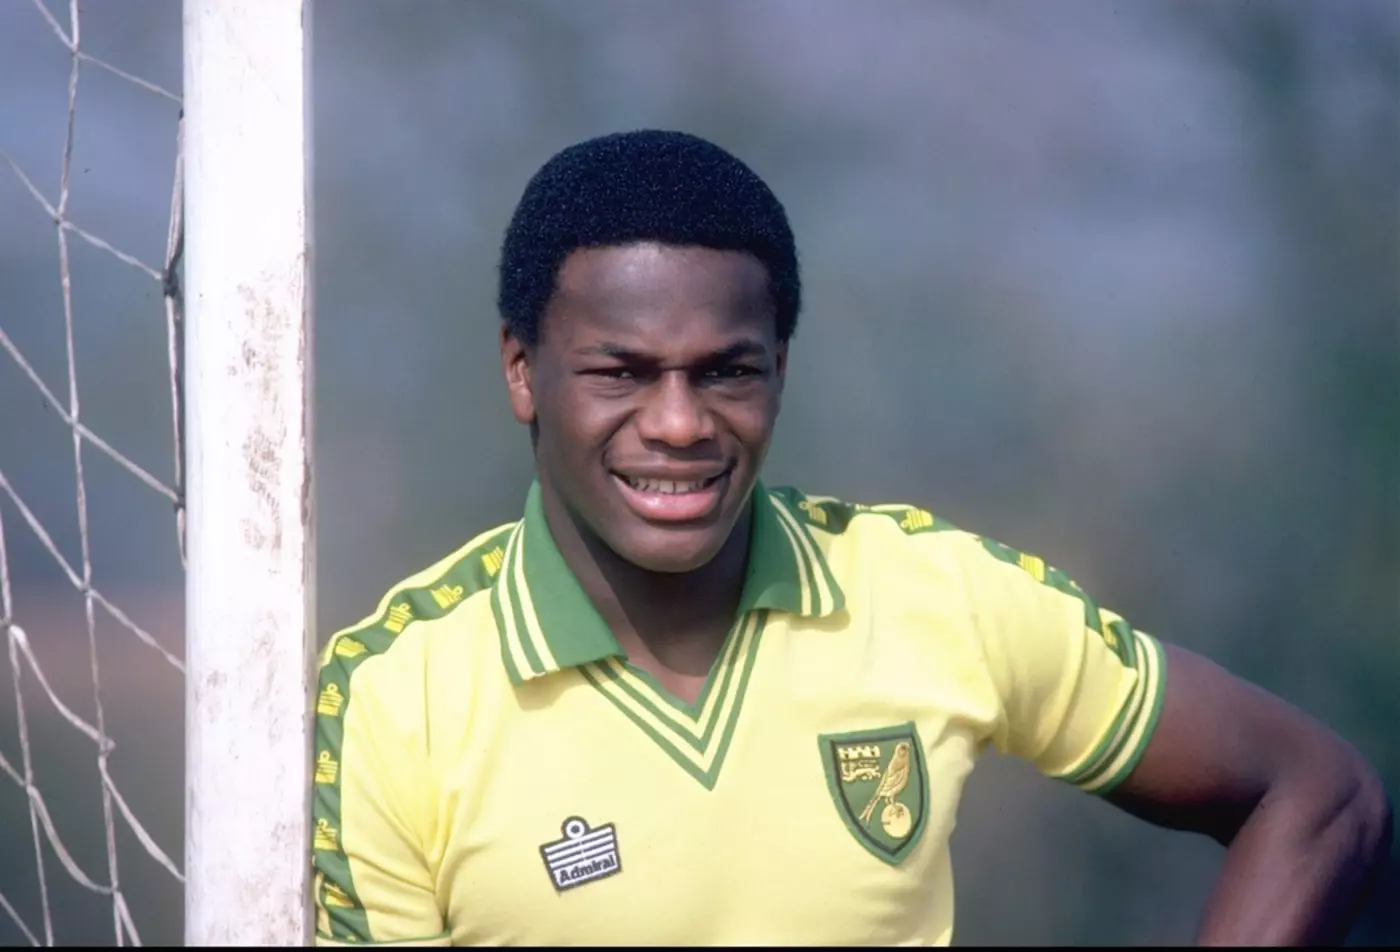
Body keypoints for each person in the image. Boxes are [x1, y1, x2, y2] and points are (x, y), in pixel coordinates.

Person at [310, 130, 1391, 946]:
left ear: (779, 368)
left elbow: (1316, 794)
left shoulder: (931, 593)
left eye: (726, 370)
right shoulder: (397, 697)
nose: (679, 422)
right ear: (521, 371)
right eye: (621, 372)